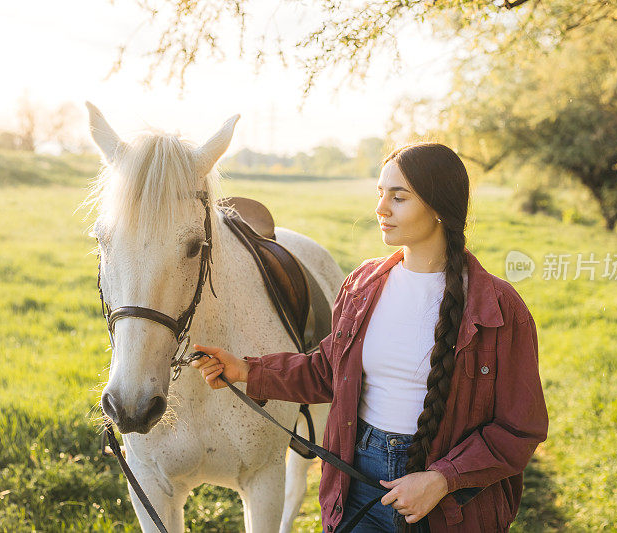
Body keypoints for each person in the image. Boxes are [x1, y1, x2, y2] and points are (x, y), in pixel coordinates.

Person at [192, 142, 549, 532]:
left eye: (399, 197)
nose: (381, 209)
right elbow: (327, 371)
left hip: (453, 506)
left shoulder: (499, 309)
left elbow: (519, 427)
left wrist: (442, 479)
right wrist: (246, 370)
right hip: (356, 481)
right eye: (380, 194)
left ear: (438, 207)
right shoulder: (363, 285)